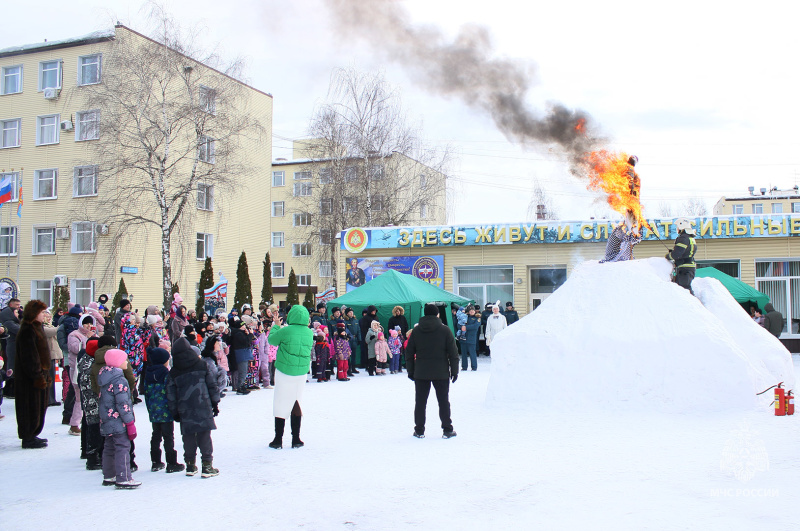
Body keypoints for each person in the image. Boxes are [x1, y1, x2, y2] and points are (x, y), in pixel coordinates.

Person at [167, 337, 220, 478]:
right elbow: (212, 385)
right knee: (204, 435)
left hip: (184, 407)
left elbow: (170, 394)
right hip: (203, 404)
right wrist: (215, 402)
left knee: (188, 436)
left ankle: (190, 464)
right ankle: (207, 465)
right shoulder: (202, 365)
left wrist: (174, 411)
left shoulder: (174, 372)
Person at [405, 303, 458, 439]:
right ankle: (447, 429)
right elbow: (453, 353)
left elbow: (409, 352)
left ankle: (419, 430)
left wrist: (411, 371)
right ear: (437, 314)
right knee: (443, 401)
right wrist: (455, 371)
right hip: (441, 371)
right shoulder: (445, 330)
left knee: (420, 402)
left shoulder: (416, 331)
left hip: (421, 372)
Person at [267, 304, 313, 449]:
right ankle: (296, 439)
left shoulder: (286, 330)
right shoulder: (309, 332)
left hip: (284, 370)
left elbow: (272, 340)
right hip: (300, 372)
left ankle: (278, 439)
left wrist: (276, 326)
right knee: (296, 402)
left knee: (281, 402)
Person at [97, 348, 139, 489]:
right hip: (118, 420)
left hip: (107, 420)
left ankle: (109, 475)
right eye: (124, 360)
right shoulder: (119, 380)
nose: (127, 362)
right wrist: (129, 422)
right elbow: (123, 404)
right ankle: (124, 477)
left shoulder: (105, 377)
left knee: (109, 447)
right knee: (122, 447)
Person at [15, 300, 52, 449]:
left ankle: (33, 433)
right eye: (41, 312)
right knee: (29, 406)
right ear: (34, 313)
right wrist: (37, 376)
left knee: (38, 406)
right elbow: (29, 356)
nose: (44, 315)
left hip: (39, 374)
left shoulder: (37, 328)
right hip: (29, 378)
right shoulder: (27, 330)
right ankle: (28, 436)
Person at [145, 346, 185, 473]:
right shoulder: (166, 374)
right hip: (166, 410)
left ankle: (155, 461)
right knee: (168, 436)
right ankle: (171, 462)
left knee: (156, 435)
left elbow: (146, 393)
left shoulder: (148, 374)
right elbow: (171, 392)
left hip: (153, 410)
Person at [67, 314, 96, 435]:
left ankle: (84, 421)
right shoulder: (74, 335)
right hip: (77, 370)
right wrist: (88, 340)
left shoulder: (93, 335)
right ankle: (74, 424)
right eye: (86, 324)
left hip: (90, 369)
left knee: (86, 397)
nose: (89, 326)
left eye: (90, 324)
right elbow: (76, 348)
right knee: (79, 397)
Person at [77, 337, 103, 470]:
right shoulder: (92, 366)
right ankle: (93, 457)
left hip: (88, 402)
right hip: (93, 402)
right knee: (94, 429)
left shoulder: (84, 361)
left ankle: (88, 451)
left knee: (89, 425)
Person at [666, 217, 697, 293]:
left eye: (677, 227)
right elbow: (684, 252)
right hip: (688, 268)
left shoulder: (683, 238)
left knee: (684, 291)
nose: (677, 229)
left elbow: (677, 254)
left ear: (681, 226)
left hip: (684, 269)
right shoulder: (690, 238)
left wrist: (669, 256)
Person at [1, 298, 22, 398]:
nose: (19, 307)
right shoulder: (8, 321)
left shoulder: (11, 320)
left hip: (14, 346)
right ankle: (10, 389)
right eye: (16, 305)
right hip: (12, 347)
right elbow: (19, 331)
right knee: (12, 367)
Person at [462, 306, 480, 371]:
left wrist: (466, 327)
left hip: (472, 337)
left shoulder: (477, 318)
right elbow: (460, 324)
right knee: (464, 353)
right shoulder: (465, 317)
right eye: (470, 310)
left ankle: (474, 367)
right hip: (464, 337)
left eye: (473, 310)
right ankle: (464, 367)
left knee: (472, 353)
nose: (472, 311)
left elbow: (475, 326)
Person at [343, 308, 360, 376]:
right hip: (349, 339)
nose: (351, 313)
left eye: (352, 312)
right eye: (350, 312)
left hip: (355, 339)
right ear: (347, 313)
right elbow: (346, 330)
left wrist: (359, 339)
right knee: (348, 355)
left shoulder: (355, 320)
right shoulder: (345, 321)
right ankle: (348, 369)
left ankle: (353, 367)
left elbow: (358, 330)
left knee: (354, 355)